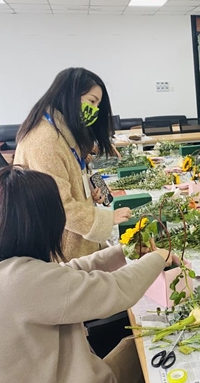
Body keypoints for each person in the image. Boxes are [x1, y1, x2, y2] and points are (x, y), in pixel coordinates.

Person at [0, 167, 176, 383]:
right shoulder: (20, 281)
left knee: (132, 348)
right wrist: (158, 258)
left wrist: (123, 252)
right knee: (153, 353)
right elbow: (117, 290)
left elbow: (64, 275)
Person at [15, 68, 131, 260]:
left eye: (98, 104)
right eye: (91, 101)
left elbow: (68, 173)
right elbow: (60, 207)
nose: (95, 110)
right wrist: (107, 219)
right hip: (60, 250)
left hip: (75, 241)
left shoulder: (61, 131)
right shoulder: (45, 141)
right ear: (69, 96)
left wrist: (87, 187)